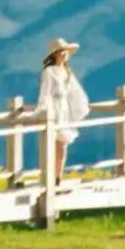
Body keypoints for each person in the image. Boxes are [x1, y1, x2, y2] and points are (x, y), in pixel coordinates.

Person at [37, 37, 90, 186]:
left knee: (62, 146)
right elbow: (45, 93)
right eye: (60, 51)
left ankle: (57, 177)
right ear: (54, 54)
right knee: (53, 145)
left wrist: (80, 106)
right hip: (53, 112)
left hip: (64, 112)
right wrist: (43, 110)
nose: (63, 54)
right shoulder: (49, 72)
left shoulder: (67, 72)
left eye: (65, 51)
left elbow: (75, 92)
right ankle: (50, 177)